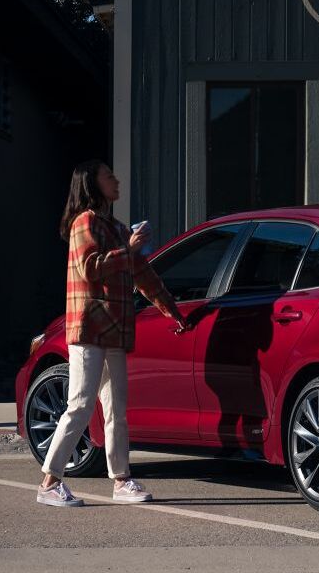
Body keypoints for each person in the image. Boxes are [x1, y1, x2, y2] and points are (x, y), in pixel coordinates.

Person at [38, 160, 189, 507]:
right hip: (89, 328)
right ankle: (49, 482)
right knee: (79, 404)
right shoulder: (85, 222)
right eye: (109, 176)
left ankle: (122, 480)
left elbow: (144, 277)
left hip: (115, 332)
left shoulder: (118, 228)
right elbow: (90, 268)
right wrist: (130, 249)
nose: (117, 180)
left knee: (116, 408)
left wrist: (173, 310)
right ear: (93, 184)